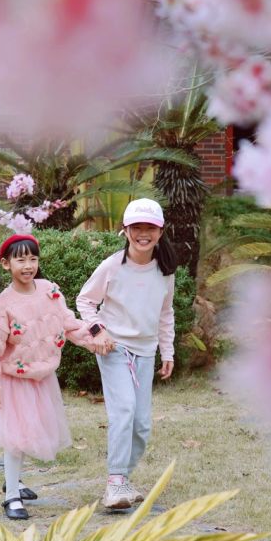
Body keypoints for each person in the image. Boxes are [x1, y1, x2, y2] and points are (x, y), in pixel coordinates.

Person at [0, 232, 110, 521]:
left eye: (33, 258)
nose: (28, 265)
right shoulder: (3, 304)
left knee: (28, 433)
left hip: (42, 378)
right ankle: (11, 496)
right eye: (21, 259)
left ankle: (14, 481)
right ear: (5, 264)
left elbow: (68, 323)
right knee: (16, 436)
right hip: (14, 379)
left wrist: (95, 341)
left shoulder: (50, 290)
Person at [77, 198, 177, 512]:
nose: (143, 234)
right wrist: (98, 331)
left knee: (142, 425)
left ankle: (125, 479)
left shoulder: (165, 271)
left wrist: (167, 350)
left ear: (160, 231)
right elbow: (85, 301)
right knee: (124, 412)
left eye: (150, 227)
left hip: (146, 352)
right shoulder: (112, 266)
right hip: (114, 348)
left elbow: (166, 313)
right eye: (136, 227)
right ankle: (115, 483)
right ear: (126, 230)